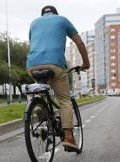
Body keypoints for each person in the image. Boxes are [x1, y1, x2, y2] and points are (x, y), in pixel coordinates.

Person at [27, 5, 90, 151]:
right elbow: (79, 43)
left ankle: (42, 115)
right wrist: (86, 63)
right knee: (64, 100)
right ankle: (68, 136)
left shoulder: (33, 23)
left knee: (41, 92)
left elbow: (34, 44)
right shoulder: (62, 20)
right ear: (55, 13)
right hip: (55, 63)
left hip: (32, 65)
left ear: (42, 15)